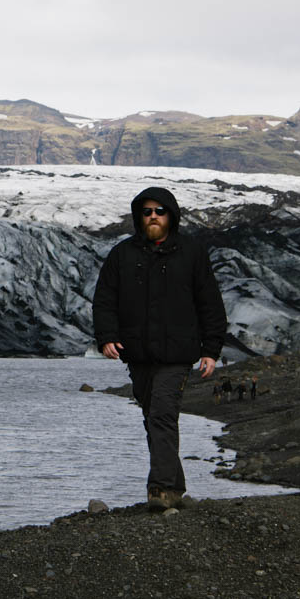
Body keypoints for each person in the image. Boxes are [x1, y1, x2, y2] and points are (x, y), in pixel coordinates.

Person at [93, 187, 228, 512]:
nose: (153, 216)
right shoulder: (123, 255)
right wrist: (106, 336)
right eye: (147, 211)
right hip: (138, 355)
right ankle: (176, 486)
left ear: (172, 215)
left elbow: (210, 303)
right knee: (153, 417)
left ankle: (161, 490)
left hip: (178, 355)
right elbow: (105, 299)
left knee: (162, 415)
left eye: (160, 211)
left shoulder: (191, 253)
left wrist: (210, 349)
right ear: (140, 216)